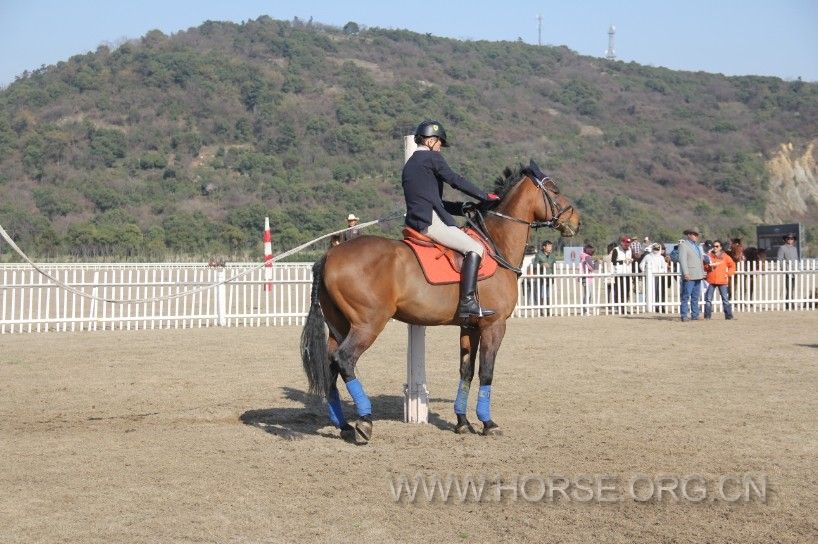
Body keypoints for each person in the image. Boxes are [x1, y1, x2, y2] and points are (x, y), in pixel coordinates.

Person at [402, 120, 500, 319]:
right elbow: (456, 180)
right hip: (431, 223)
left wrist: (462, 208)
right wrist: (484, 196)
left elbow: (433, 200)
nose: (440, 147)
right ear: (430, 141)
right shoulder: (431, 158)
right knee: (476, 248)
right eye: (439, 143)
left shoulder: (411, 164)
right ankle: (468, 302)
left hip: (416, 221)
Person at [704, 240, 736, 320]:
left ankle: (729, 316)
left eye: (717, 246)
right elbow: (704, 266)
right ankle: (707, 316)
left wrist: (728, 274)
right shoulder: (708, 256)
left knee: (725, 299)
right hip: (711, 280)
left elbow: (732, 266)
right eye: (714, 246)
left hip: (722, 281)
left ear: (720, 247)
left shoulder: (725, 256)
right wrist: (708, 267)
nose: (715, 248)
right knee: (708, 299)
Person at [678, 228, 706, 322]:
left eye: (697, 235)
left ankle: (695, 314)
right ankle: (684, 315)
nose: (696, 236)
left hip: (698, 274)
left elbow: (700, 260)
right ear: (689, 235)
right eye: (694, 234)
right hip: (689, 274)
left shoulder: (697, 247)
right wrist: (685, 272)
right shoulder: (683, 246)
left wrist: (702, 272)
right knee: (686, 296)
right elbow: (683, 260)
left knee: (695, 296)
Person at [528, 240, 557, 315]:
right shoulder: (539, 255)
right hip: (541, 278)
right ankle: (541, 311)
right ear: (544, 247)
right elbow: (534, 265)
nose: (550, 248)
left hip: (549, 277)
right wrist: (542, 265)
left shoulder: (553, 255)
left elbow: (554, 266)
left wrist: (554, 277)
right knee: (541, 294)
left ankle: (548, 311)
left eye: (551, 246)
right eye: (549, 246)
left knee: (548, 294)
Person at [640, 243, 668, 312]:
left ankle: (661, 306)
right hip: (650, 277)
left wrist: (660, 271)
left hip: (659, 276)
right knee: (652, 292)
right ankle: (654, 306)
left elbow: (664, 267)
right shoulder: (648, 256)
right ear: (652, 249)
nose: (656, 250)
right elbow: (641, 265)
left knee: (660, 291)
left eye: (657, 249)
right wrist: (645, 271)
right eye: (655, 249)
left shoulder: (661, 257)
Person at [610, 237, 633, 312]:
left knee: (627, 291)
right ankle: (620, 307)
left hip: (628, 273)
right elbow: (613, 261)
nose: (627, 246)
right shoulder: (616, 250)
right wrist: (622, 261)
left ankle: (624, 307)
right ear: (622, 243)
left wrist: (631, 260)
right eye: (626, 244)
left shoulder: (630, 249)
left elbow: (631, 258)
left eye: (628, 244)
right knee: (620, 291)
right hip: (619, 273)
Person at [777, 232, 799, 309]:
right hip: (787, 271)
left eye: (792, 238)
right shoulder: (782, 248)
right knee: (788, 288)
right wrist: (784, 269)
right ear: (786, 239)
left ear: (793, 240)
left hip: (794, 271)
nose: (790, 240)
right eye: (788, 238)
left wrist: (797, 268)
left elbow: (796, 259)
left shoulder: (794, 248)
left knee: (792, 288)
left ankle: (791, 302)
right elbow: (779, 259)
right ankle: (788, 304)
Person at [579, 244, 598, 315]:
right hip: (587, 278)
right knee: (588, 294)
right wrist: (596, 262)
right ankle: (585, 310)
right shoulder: (587, 257)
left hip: (584, 277)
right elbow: (592, 268)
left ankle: (585, 309)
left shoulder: (582, 256)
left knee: (587, 294)